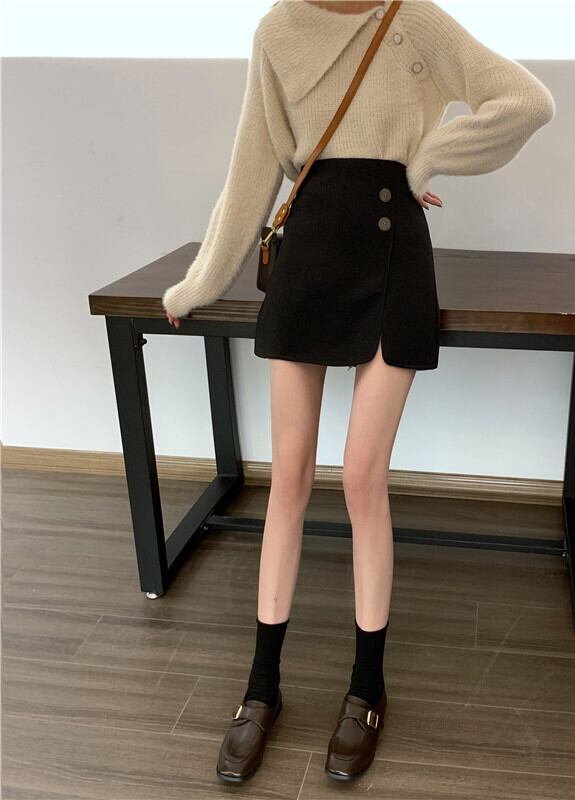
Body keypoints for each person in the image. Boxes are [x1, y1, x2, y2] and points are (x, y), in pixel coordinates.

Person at [161, 0, 555, 784]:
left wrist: (429, 158)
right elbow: (252, 169)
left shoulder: (415, 18)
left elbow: (527, 100)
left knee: (363, 479)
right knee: (289, 479)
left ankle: (367, 687)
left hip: (392, 254)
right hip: (307, 257)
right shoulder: (278, 30)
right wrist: (199, 283)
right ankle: (261, 688)